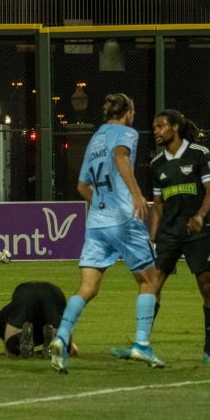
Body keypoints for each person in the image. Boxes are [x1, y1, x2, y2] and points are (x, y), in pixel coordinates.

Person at [48, 93, 162, 374]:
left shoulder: (95, 138)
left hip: (97, 222)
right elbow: (120, 156)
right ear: (129, 111)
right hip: (123, 218)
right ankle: (142, 344)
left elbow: (82, 186)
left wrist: (101, 205)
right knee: (150, 280)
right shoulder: (127, 132)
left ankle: (62, 337)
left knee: (88, 287)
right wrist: (136, 194)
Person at [148, 109, 210, 364]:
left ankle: (209, 350)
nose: (156, 131)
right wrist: (153, 238)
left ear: (175, 127)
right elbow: (157, 206)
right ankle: (143, 343)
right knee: (152, 287)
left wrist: (200, 215)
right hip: (169, 233)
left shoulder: (199, 154)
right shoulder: (156, 164)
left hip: (196, 232)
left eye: (160, 126)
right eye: (155, 127)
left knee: (207, 288)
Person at [0, 281, 79, 359]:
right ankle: (52, 341)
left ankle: (21, 341)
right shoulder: (7, 311)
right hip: (54, 292)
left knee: (11, 350)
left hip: (25, 294)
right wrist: (70, 346)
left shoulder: (3, 316)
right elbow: (73, 349)